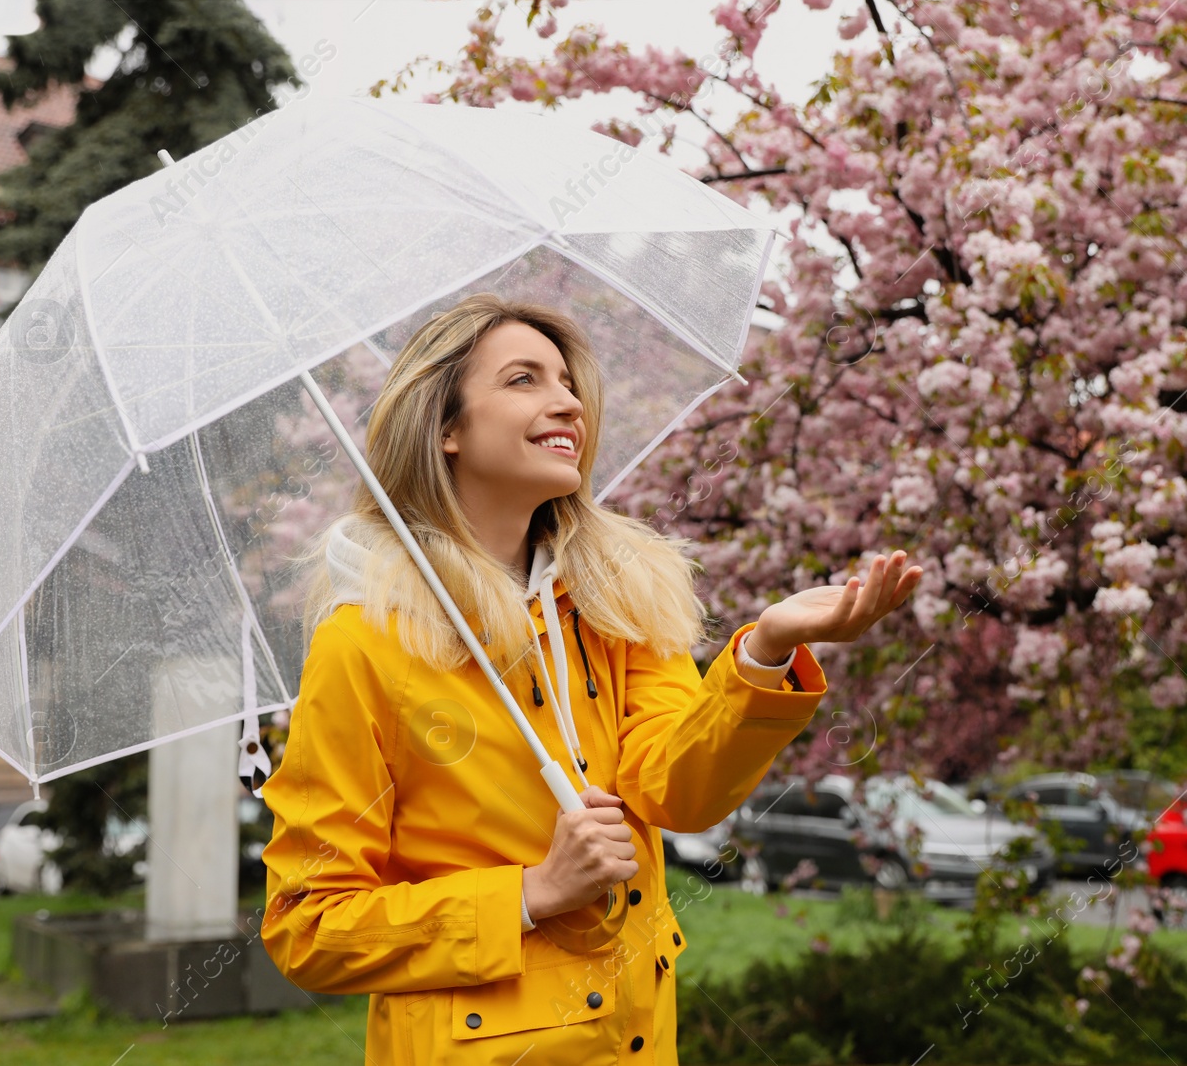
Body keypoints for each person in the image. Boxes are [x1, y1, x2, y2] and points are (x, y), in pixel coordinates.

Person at [259, 293, 922, 1065]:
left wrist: (766, 653)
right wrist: (529, 894)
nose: (566, 399)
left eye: (566, 380)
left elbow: (679, 790)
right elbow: (308, 924)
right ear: (446, 428)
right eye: (523, 379)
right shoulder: (366, 639)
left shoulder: (618, 598)